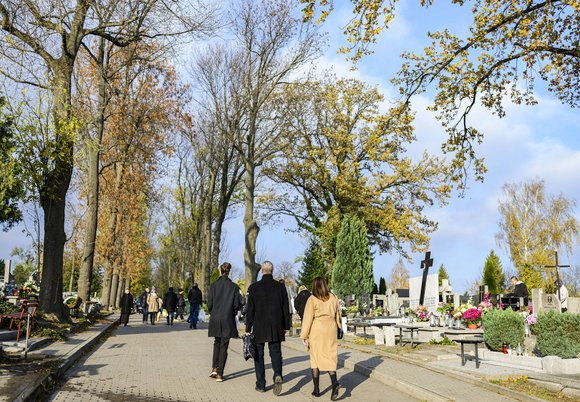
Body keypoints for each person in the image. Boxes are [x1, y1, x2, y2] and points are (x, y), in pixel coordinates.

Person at [245, 261, 291, 395]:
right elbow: (285, 308)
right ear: (273, 270)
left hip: (259, 325)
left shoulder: (253, 288)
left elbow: (250, 310)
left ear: (261, 271)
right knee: (275, 352)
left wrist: (248, 327)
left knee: (259, 355)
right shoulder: (280, 287)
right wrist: (286, 326)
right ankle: (277, 373)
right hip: (276, 324)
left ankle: (261, 384)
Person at [300, 277, 342, 400]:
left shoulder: (312, 299)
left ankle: (316, 389)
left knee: (315, 358)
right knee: (329, 356)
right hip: (330, 329)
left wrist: (304, 335)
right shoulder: (333, 297)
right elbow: (337, 314)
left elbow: (307, 318)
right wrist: (339, 328)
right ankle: (334, 383)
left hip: (317, 329)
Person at [208, 262, 242, 382]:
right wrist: (231, 311)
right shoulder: (234, 287)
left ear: (220, 271)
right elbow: (237, 304)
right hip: (227, 318)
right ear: (229, 272)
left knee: (216, 342)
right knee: (224, 345)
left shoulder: (213, 285)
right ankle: (220, 373)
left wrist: (214, 312)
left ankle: (214, 368)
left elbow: (209, 304)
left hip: (216, 318)